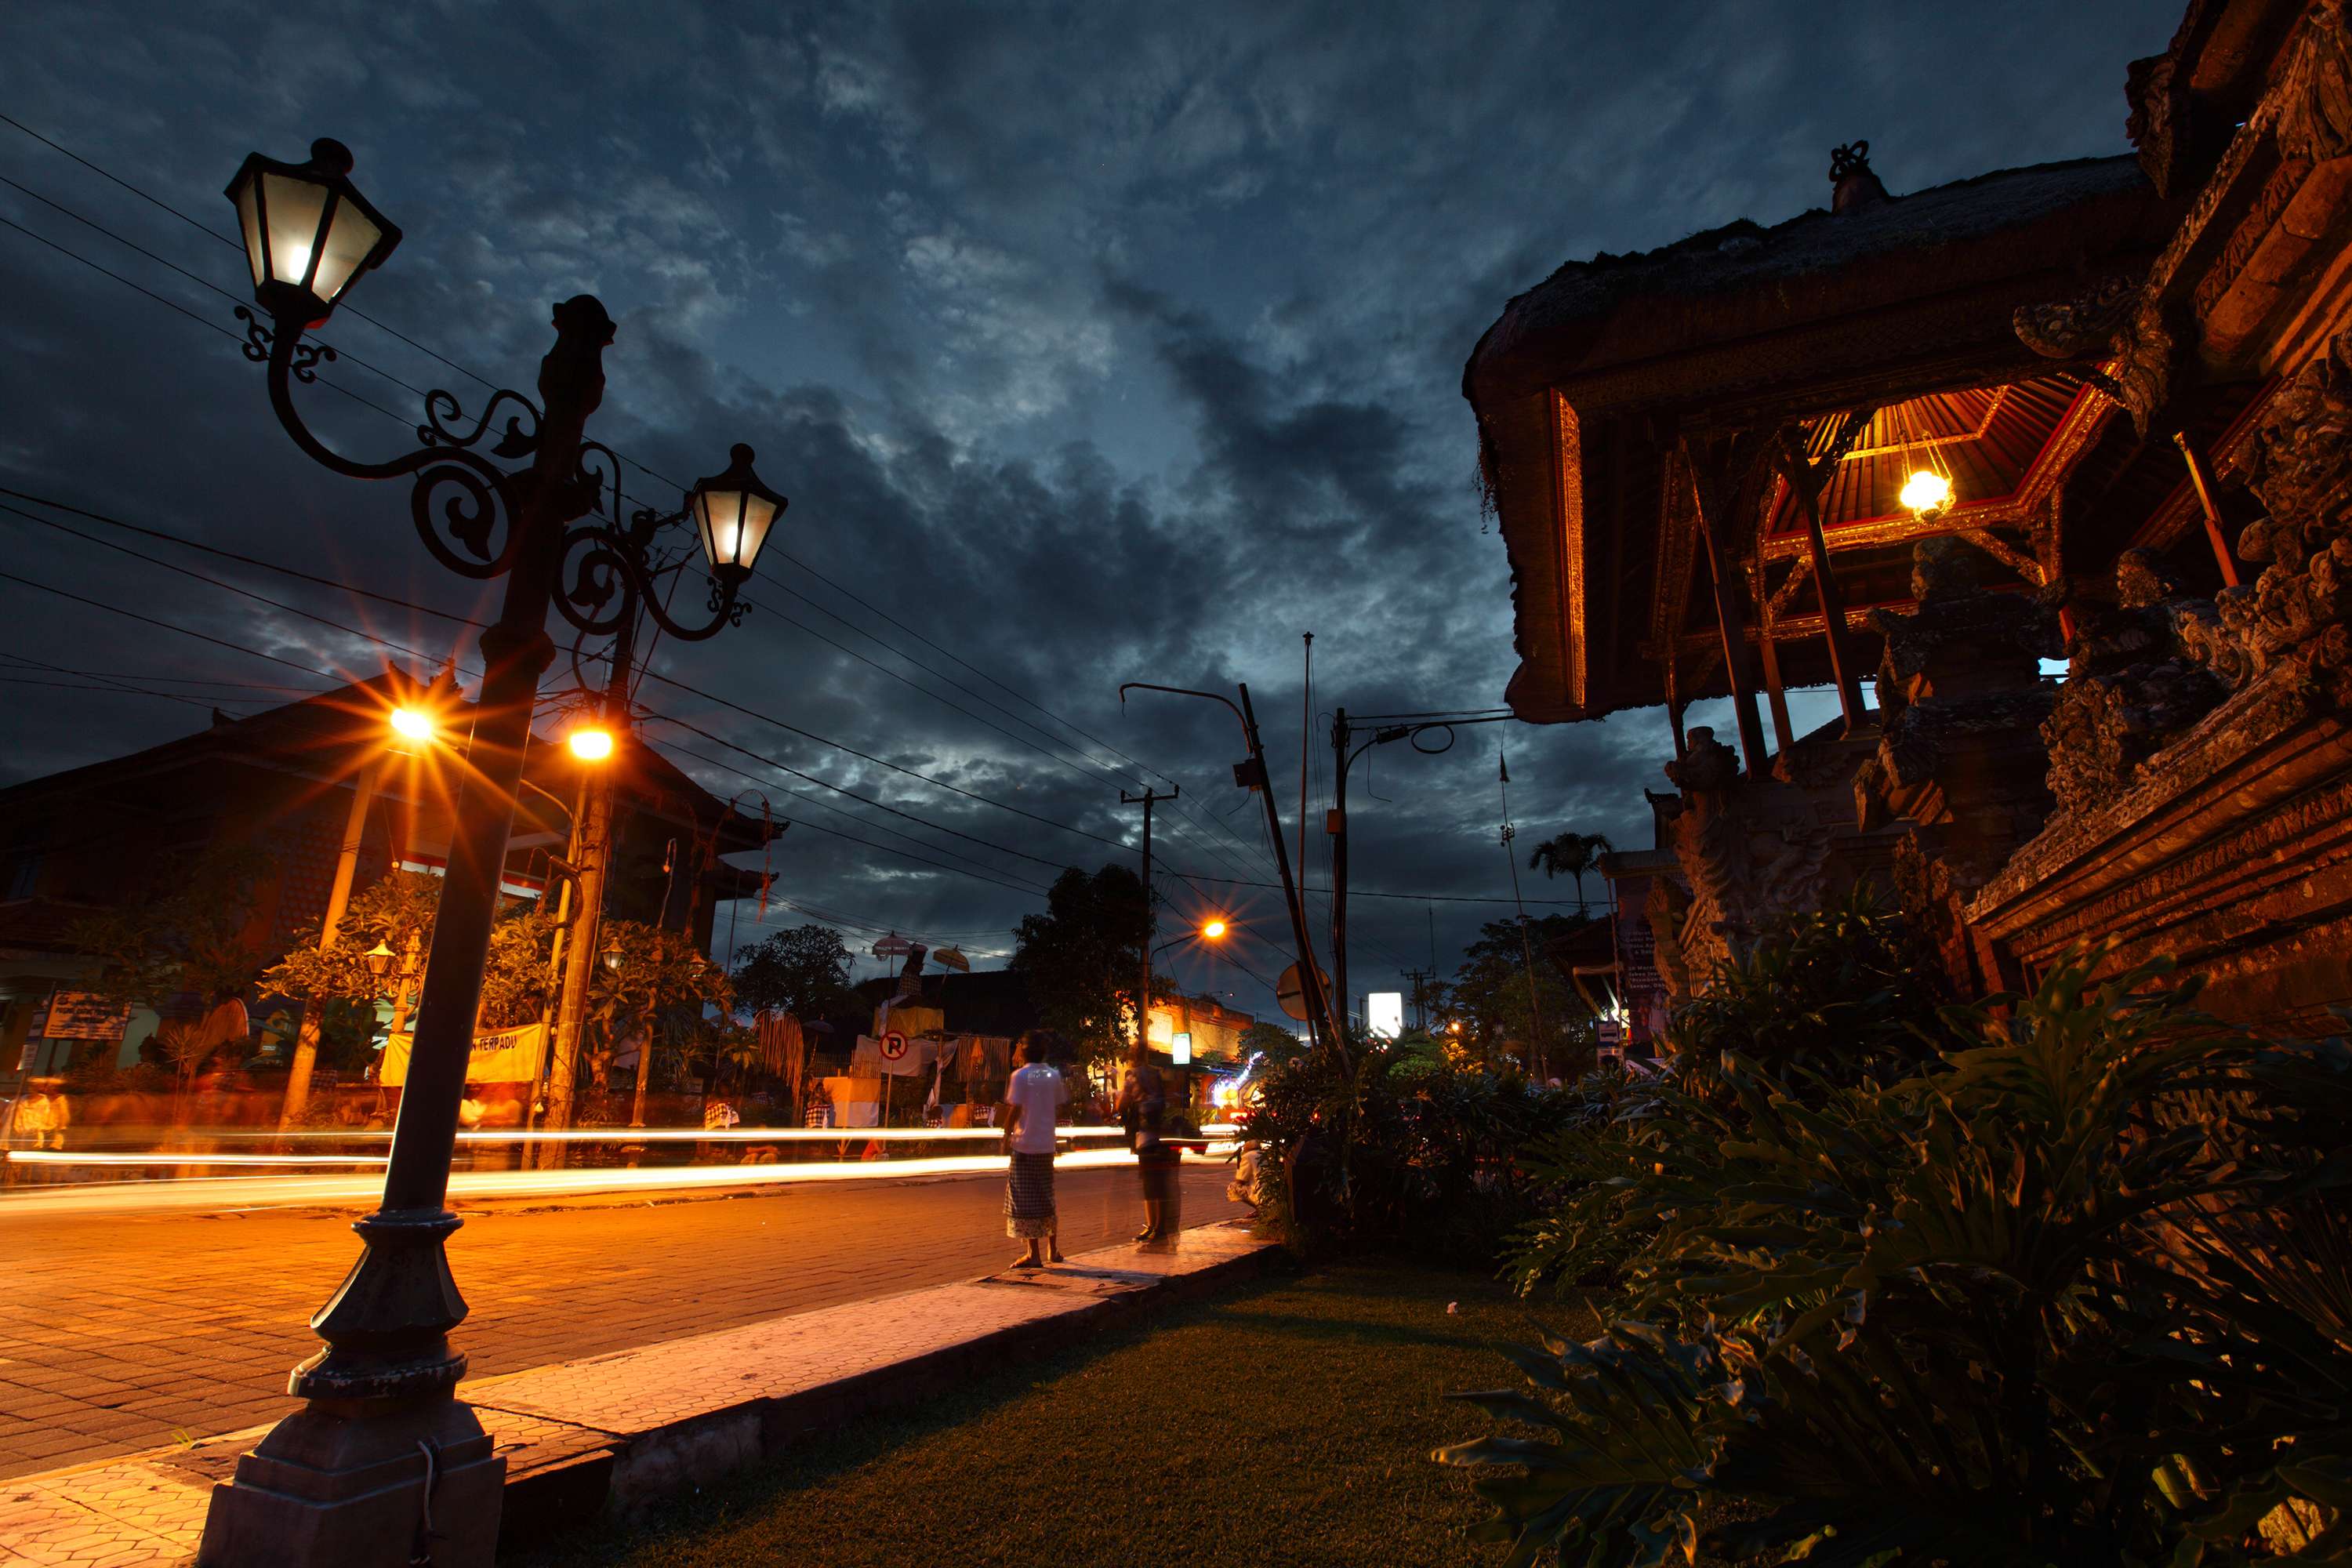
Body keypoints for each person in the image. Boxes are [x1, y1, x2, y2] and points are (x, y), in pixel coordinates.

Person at [998, 1030, 1069, 1269]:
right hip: (1046, 1145)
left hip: (1024, 1145)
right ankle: (1054, 1250)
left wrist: (1005, 1135)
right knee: (1047, 1198)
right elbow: (1058, 1108)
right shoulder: (1053, 1076)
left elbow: (1015, 1109)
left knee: (1025, 1201)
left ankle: (1033, 1253)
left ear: (1025, 1050)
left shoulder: (1020, 1076)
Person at [1117, 1041, 1179, 1242]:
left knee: (1149, 1185)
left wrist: (1117, 1102)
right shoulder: (1155, 1074)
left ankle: (1154, 1227)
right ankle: (1157, 1227)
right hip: (1159, 1133)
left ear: (1133, 1056)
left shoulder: (1132, 1076)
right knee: (1157, 1183)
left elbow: (1122, 1104)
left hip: (1144, 1135)